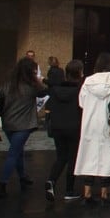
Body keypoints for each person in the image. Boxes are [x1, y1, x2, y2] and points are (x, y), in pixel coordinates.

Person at [74, 52, 110, 207]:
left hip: (90, 123)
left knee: (89, 156)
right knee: (108, 158)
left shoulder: (88, 81)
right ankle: (104, 194)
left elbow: (82, 102)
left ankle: (87, 192)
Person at [0, 56, 48, 198]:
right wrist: (39, 80)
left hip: (8, 123)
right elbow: (45, 91)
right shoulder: (32, 86)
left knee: (17, 151)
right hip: (23, 124)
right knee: (14, 153)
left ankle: (23, 176)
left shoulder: (8, 84)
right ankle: (3, 182)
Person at [43, 60, 84, 202]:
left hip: (57, 127)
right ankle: (69, 189)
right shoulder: (80, 90)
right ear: (80, 73)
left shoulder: (55, 90)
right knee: (72, 158)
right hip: (74, 127)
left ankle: (51, 180)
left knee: (61, 157)